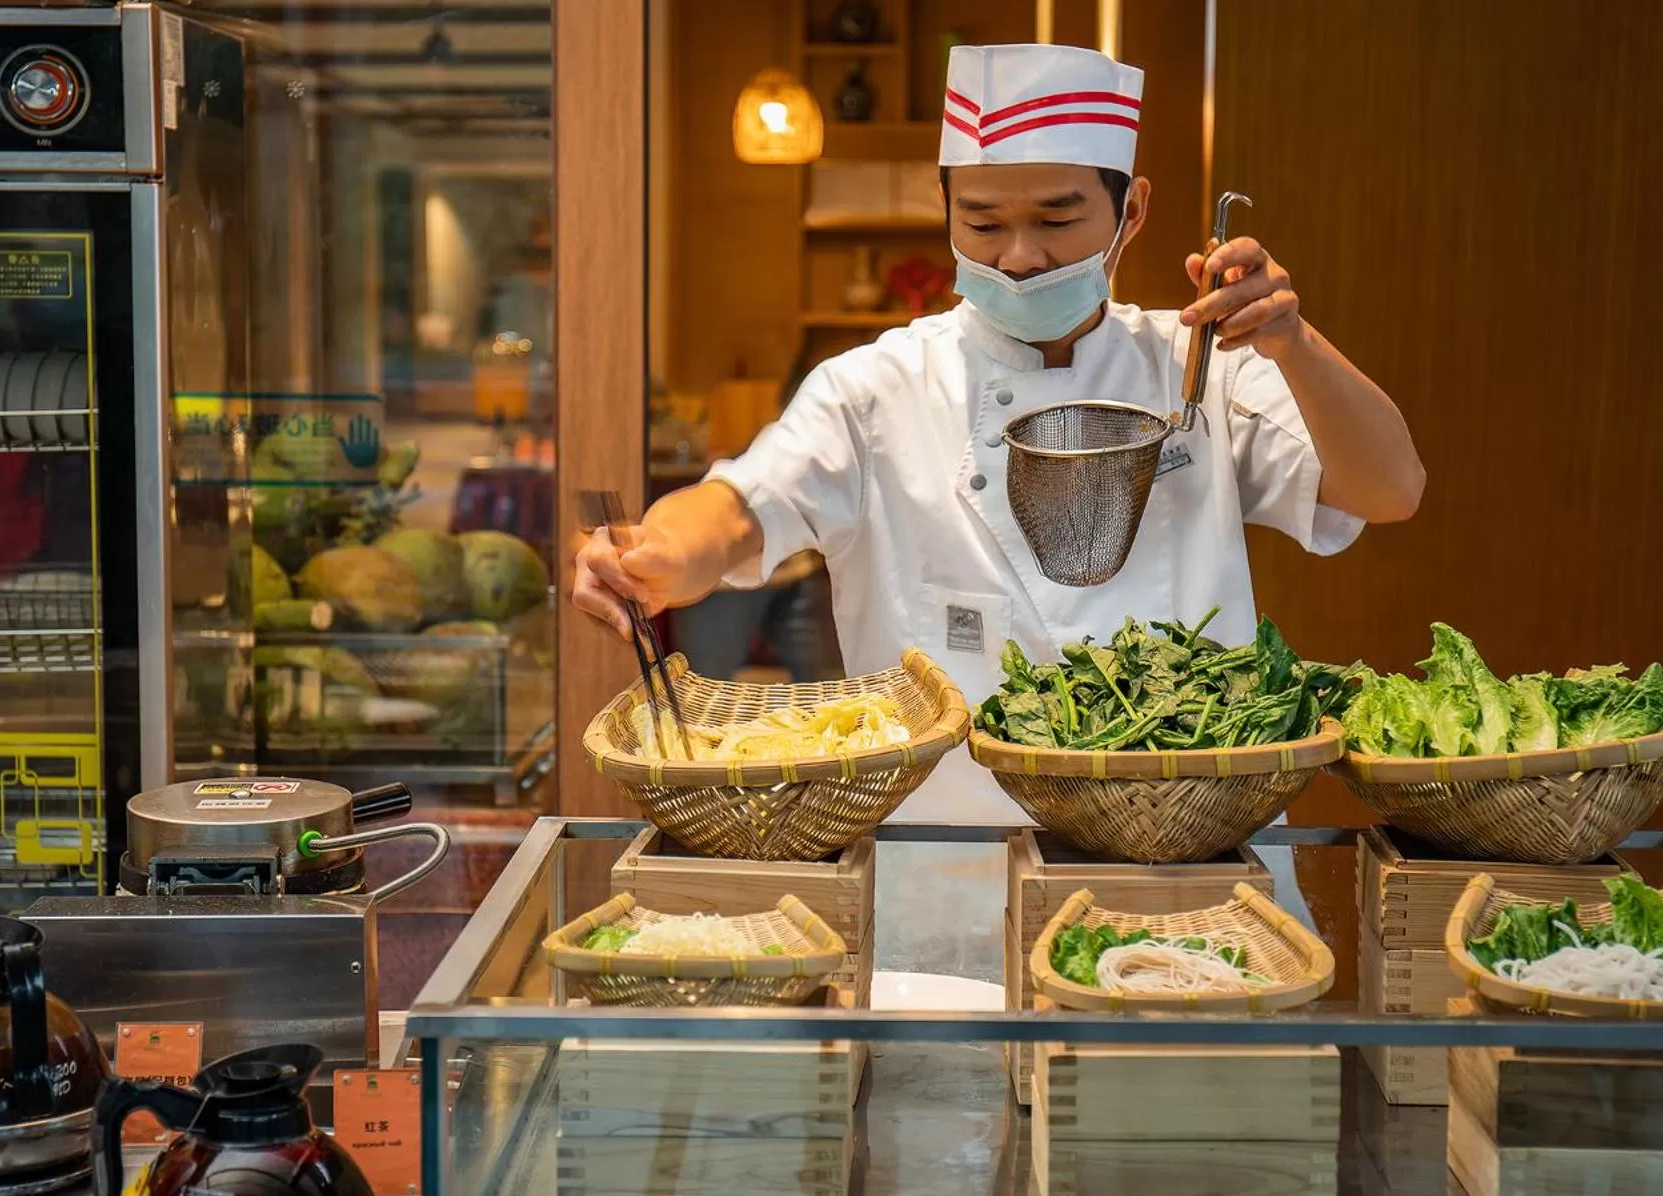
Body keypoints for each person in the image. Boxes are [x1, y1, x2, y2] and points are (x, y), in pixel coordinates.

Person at [575, 43, 1424, 826]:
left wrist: (1293, 343)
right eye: (982, 223)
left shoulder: (1201, 363)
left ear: (1131, 213)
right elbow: (737, 508)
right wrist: (656, 557)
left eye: (1056, 222)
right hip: (949, 865)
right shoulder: (877, 387)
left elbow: (1388, 491)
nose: (1018, 257)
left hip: (1189, 852)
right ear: (942, 209)